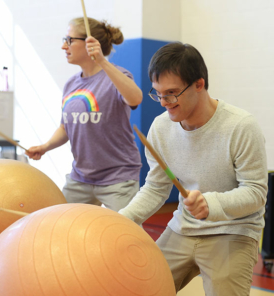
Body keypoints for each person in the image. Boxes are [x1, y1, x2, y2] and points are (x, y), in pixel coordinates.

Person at [118, 42, 268, 295]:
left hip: (233, 231)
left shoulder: (241, 126)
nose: (164, 102)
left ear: (199, 84)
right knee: (140, 288)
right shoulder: (161, 127)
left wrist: (211, 204)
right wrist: (124, 218)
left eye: (172, 93)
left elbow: (255, 193)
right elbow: (156, 187)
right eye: (158, 93)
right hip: (183, 228)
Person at [26, 17, 142, 212]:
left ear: (90, 43)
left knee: (126, 234)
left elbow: (135, 98)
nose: (64, 46)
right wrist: (45, 147)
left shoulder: (117, 75)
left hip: (118, 178)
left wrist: (102, 61)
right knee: (60, 226)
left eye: (70, 40)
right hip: (80, 179)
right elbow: (65, 127)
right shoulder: (71, 85)